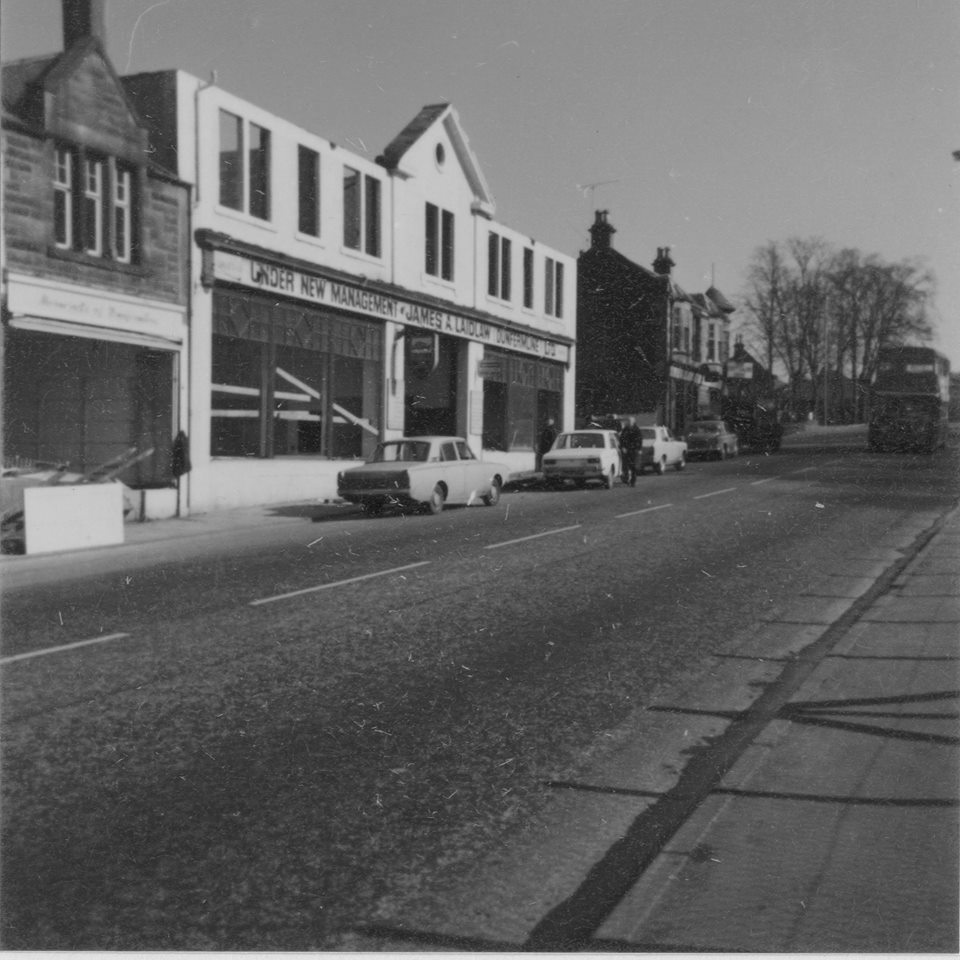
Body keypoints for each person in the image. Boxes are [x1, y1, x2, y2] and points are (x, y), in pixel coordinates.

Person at [619, 416, 644, 486]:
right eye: (628, 421)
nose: (628, 422)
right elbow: (621, 439)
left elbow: (640, 440)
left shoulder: (637, 429)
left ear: (633, 422)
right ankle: (626, 479)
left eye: (630, 421)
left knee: (633, 467)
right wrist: (622, 447)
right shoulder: (625, 429)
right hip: (626, 450)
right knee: (626, 466)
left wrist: (639, 449)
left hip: (634, 450)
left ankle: (633, 481)